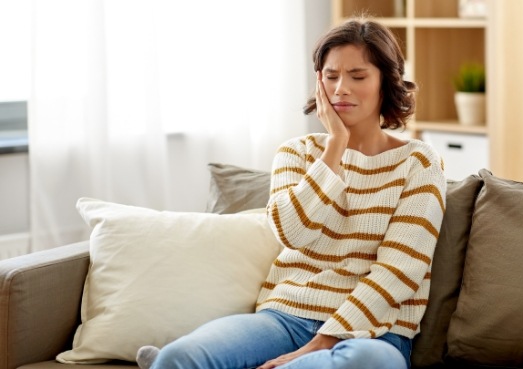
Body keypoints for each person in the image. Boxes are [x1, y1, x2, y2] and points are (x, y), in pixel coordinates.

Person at [136, 17, 446, 369]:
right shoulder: (296, 153)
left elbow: (400, 270)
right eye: (331, 76)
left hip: (372, 334)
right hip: (283, 318)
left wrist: (325, 339)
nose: (341, 88)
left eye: (357, 76)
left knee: (362, 362)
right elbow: (292, 233)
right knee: (181, 355)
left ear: (384, 83)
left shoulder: (418, 162)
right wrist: (336, 146)